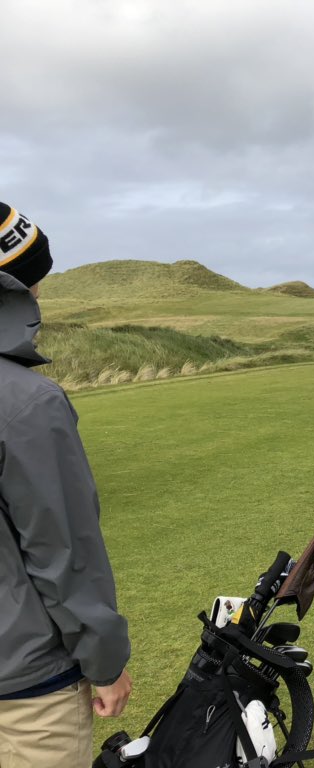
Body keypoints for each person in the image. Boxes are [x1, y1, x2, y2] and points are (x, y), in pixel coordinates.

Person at [0, 202, 132, 767]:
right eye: (30, 285)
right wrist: (105, 664)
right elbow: (62, 552)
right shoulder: (26, 403)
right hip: (26, 689)